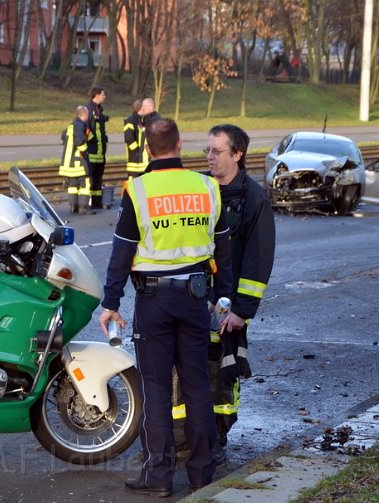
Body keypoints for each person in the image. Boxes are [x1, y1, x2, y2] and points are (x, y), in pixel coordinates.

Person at [98, 118, 233, 497]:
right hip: (196, 299)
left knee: (155, 388)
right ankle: (201, 475)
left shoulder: (138, 189)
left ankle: (158, 477)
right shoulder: (206, 186)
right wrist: (223, 299)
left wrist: (111, 302)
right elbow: (223, 249)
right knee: (197, 386)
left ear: (147, 147)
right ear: (179, 144)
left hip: (154, 302)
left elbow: (121, 251)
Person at [173, 124, 275, 464]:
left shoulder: (253, 199)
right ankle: (180, 440)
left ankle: (216, 437)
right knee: (182, 370)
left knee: (220, 374)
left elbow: (258, 260)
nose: (209, 157)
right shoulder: (200, 190)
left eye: (216, 151)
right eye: (207, 150)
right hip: (190, 299)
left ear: (237, 154)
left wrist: (241, 311)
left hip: (226, 306)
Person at [59, 106, 96, 214]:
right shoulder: (80, 125)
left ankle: (73, 206)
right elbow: (80, 141)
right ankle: (83, 207)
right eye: (88, 115)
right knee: (85, 184)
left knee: (72, 185)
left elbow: (63, 138)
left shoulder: (70, 126)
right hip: (79, 162)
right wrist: (85, 151)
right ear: (84, 114)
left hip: (68, 163)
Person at [84, 87, 109, 209]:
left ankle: (97, 202)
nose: (105, 97)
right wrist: (93, 140)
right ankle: (87, 203)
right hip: (92, 151)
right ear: (97, 95)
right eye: (103, 94)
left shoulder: (99, 110)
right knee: (91, 178)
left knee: (98, 178)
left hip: (100, 152)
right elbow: (86, 129)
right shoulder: (89, 109)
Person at [123, 99, 146, 178]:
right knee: (135, 187)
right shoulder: (130, 120)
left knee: (142, 188)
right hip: (134, 162)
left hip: (141, 163)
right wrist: (137, 152)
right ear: (142, 108)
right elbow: (129, 139)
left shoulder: (140, 120)